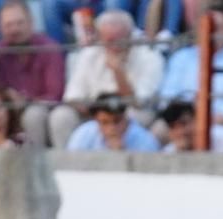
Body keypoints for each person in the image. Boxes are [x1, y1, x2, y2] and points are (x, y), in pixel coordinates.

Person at [50, 7, 162, 150]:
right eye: (109, 40)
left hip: (128, 115)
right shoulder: (89, 55)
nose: (115, 46)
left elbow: (139, 103)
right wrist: (100, 113)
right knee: (61, 116)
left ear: (130, 36)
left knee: (135, 115)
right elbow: (73, 97)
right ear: (100, 38)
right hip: (94, 115)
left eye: (120, 40)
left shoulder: (149, 58)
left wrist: (117, 72)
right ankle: (64, 165)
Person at [158, 0, 223, 138]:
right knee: (156, 132)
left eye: (217, 28)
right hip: (179, 122)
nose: (212, 33)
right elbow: (167, 96)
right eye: (208, 28)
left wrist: (203, 123)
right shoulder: (181, 58)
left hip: (222, 125)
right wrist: (186, 121)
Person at [0, 0, 61, 146]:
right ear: (0, 28)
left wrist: (26, 101)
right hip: (11, 113)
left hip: (45, 111)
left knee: (33, 114)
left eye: (19, 23)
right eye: (8, 25)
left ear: (31, 23)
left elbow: (55, 95)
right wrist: (7, 98)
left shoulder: (50, 49)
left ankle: (35, 166)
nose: (14, 29)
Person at [65, 90, 157, 149]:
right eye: (105, 122)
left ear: (126, 118)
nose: (112, 127)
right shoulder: (83, 134)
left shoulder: (145, 140)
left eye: (117, 121)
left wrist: (121, 154)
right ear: (96, 120)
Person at [158, 97, 223, 153]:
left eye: (184, 124)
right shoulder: (169, 153)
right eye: (173, 127)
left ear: (198, 121)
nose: (180, 132)